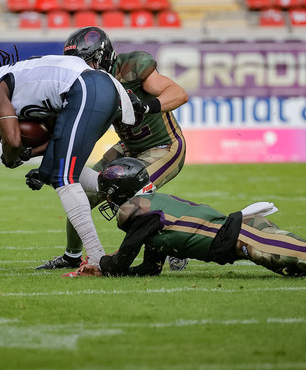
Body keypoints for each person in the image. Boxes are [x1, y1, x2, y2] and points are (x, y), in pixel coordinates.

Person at [66, 157, 306, 278]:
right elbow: (149, 268)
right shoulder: (154, 212)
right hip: (241, 234)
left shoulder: (141, 213)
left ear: (123, 191)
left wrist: (100, 266)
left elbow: (121, 260)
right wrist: (111, 268)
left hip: (243, 235)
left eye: (111, 194)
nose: (109, 200)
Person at [0, 50, 136, 267]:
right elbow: (56, 137)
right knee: (57, 170)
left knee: (64, 177)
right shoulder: (23, 82)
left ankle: (96, 259)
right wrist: (30, 155)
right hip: (99, 88)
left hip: (86, 87)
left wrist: (10, 158)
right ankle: (141, 195)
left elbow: (12, 141)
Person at [36, 26, 190, 271]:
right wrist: (49, 164)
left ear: (103, 56)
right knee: (79, 193)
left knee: (135, 198)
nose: (83, 68)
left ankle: (178, 240)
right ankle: (72, 255)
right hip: (128, 147)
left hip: (163, 146)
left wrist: (146, 106)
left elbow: (179, 94)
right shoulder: (86, 85)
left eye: (87, 62)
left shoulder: (131, 67)